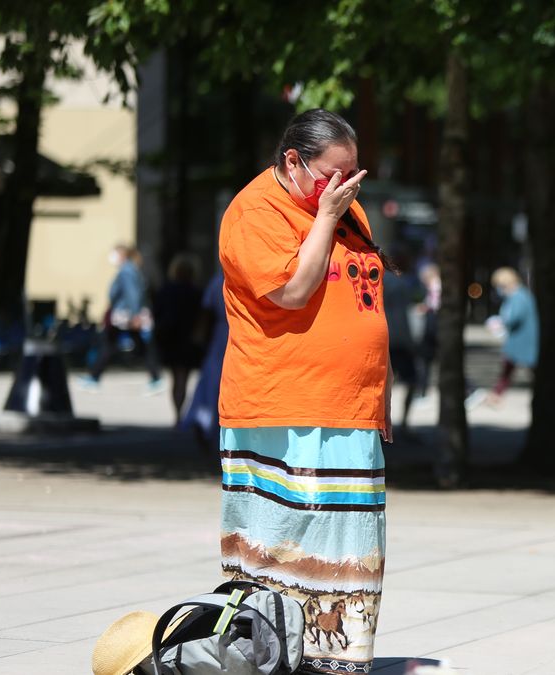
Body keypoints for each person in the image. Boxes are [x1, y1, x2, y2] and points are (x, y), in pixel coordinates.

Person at [216, 109, 390, 675]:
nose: (345, 186)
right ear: (293, 161)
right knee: (283, 548)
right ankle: (272, 658)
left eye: (353, 174)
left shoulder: (340, 204)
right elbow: (291, 290)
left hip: (348, 409)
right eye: (332, 175)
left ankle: (338, 662)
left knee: (347, 547)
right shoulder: (255, 211)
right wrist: (326, 217)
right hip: (283, 405)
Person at [78, 245, 163, 392]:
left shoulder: (126, 271)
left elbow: (132, 294)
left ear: (122, 255)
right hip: (128, 315)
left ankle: (94, 377)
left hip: (126, 316)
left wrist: (135, 315)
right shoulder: (130, 269)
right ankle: (94, 376)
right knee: (133, 344)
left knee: (112, 343)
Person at [179, 270, 227, 450]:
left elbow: (206, 312)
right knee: (217, 383)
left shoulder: (217, 280)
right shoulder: (231, 278)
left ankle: (204, 423)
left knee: (211, 383)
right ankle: (206, 423)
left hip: (221, 336)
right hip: (234, 333)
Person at [153, 254, 203, 424]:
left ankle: (177, 413)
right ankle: (179, 413)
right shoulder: (196, 292)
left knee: (176, 378)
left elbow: (157, 312)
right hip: (188, 340)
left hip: (172, 339)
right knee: (183, 379)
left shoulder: (166, 290)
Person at [483, 267, 539, 407]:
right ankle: (496, 395)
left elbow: (514, 317)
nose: (498, 289)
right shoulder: (517, 295)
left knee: (517, 367)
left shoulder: (519, 296)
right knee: (509, 368)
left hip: (522, 340)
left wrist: (498, 323)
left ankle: (496, 395)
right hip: (519, 340)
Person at [382, 258, 419, 431]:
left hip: (385, 337)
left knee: (382, 384)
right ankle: (404, 422)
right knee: (411, 380)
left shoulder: (380, 280)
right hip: (402, 338)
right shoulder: (404, 283)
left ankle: (381, 423)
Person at [414, 262, 441, 401]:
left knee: (427, 360)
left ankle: (423, 392)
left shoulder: (435, 286)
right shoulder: (434, 286)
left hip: (433, 329)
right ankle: (423, 391)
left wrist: (426, 308)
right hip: (433, 328)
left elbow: (435, 305)